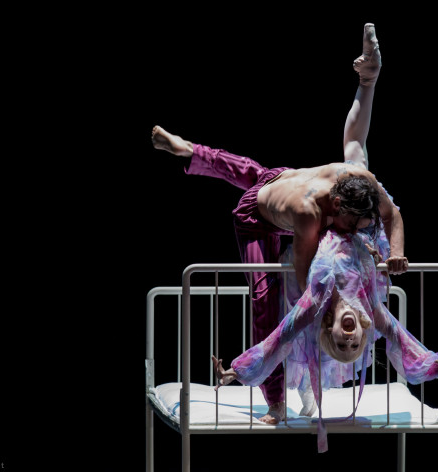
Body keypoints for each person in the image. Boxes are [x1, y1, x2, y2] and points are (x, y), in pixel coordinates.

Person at [152, 23, 407, 424]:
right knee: (265, 300)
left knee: (267, 168)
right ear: (336, 205)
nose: (354, 230)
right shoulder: (309, 215)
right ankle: (274, 399)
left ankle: (368, 80)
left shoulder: (357, 179)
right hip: (256, 217)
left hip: (280, 178)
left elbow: (393, 214)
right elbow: (306, 274)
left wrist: (395, 254)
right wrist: (317, 305)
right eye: (350, 224)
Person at [212, 227, 438, 452]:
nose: (350, 338)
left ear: (330, 329)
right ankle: (308, 389)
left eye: (342, 344)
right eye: (355, 344)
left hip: (314, 236)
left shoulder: (314, 305)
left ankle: (307, 388)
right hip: (354, 229)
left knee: (288, 302)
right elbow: (401, 340)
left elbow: (276, 340)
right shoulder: (371, 309)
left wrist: (235, 371)